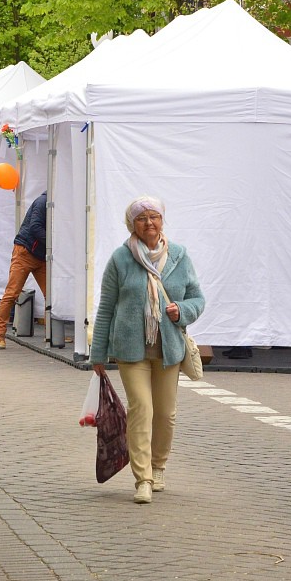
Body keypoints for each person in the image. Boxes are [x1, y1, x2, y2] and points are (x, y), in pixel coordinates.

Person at [90, 196, 204, 505]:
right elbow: (106, 309)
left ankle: (159, 465)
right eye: (142, 219)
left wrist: (182, 310)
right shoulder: (120, 259)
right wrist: (98, 354)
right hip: (131, 349)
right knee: (142, 409)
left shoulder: (179, 256)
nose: (149, 223)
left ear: (162, 221)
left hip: (167, 349)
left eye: (154, 217)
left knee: (166, 414)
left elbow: (197, 298)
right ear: (132, 225)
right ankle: (143, 478)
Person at [0, 191, 47, 349]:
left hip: (40, 255)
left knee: (51, 295)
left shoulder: (50, 203)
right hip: (24, 251)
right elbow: (35, 227)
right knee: (12, 293)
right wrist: (52, 240)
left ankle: (52, 333)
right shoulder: (42, 202)